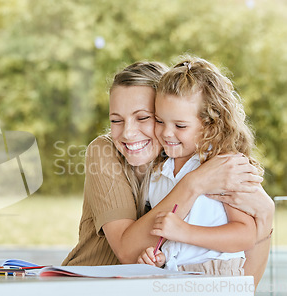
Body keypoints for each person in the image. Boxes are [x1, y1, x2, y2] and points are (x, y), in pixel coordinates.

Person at [62, 61, 273, 288]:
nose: (128, 133)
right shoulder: (111, 152)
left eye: (144, 117)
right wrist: (194, 184)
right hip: (91, 286)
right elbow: (129, 252)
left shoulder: (212, 164)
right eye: (115, 120)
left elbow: (246, 278)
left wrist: (266, 215)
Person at [136, 57, 259, 275]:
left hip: (217, 276)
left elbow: (246, 235)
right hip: (176, 275)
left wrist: (184, 231)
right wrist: (162, 257)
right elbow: (177, 243)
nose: (166, 133)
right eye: (160, 120)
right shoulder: (158, 171)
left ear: (210, 124)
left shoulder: (222, 166)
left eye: (180, 125)